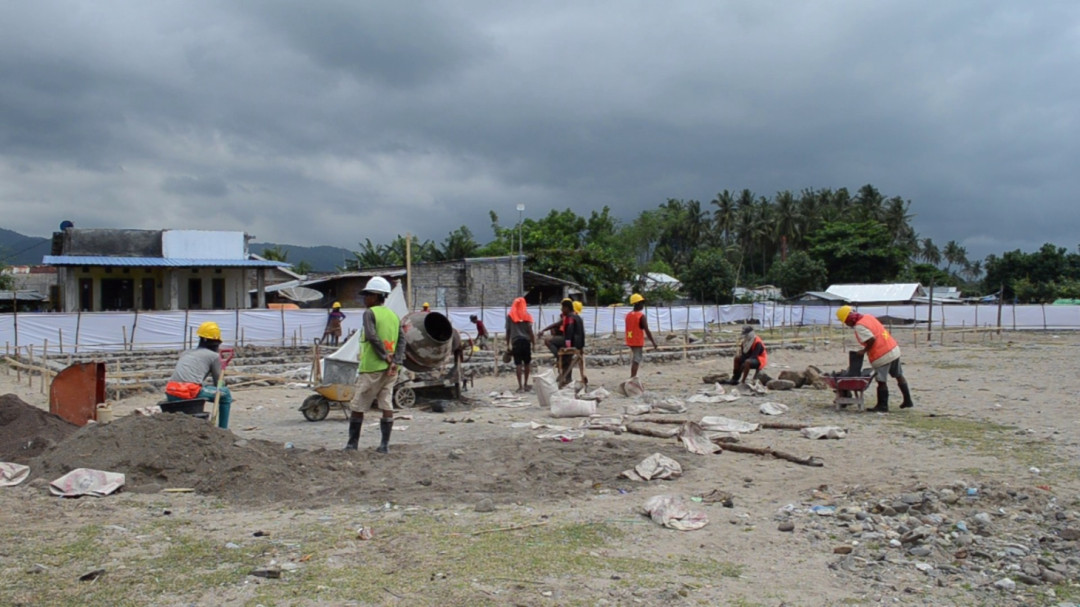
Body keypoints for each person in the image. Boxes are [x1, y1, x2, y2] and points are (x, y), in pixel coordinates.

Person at [345, 277, 406, 452]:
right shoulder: (393, 316)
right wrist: (396, 361)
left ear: (376, 296)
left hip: (372, 367)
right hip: (391, 370)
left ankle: (352, 444)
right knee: (386, 404)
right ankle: (384, 446)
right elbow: (402, 341)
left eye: (367, 295)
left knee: (359, 405)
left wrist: (385, 356)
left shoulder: (369, 313)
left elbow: (371, 336)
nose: (365, 299)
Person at [837, 305, 914, 412]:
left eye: (846, 322)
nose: (847, 324)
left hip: (882, 354)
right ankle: (908, 400)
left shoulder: (859, 326)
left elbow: (871, 339)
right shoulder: (868, 317)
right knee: (898, 375)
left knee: (881, 381)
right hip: (893, 348)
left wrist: (863, 351)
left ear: (849, 319)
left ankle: (882, 406)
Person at [165, 321, 233, 429]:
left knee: (202, 388)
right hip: (187, 392)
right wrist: (223, 386)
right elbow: (218, 384)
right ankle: (223, 430)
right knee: (226, 395)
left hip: (170, 390)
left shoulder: (186, 352)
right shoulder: (214, 356)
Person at [505, 297, 536, 392]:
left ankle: (520, 386)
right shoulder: (527, 315)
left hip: (516, 342)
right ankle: (526, 384)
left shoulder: (510, 316)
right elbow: (530, 331)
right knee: (527, 363)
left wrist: (507, 344)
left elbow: (508, 331)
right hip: (526, 342)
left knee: (518, 363)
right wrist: (534, 343)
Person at [624, 293, 659, 378]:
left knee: (635, 358)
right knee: (636, 359)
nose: (643, 304)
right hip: (637, 341)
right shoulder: (641, 316)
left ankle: (632, 377)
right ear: (637, 303)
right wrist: (653, 342)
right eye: (641, 302)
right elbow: (647, 330)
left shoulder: (628, 315)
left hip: (630, 340)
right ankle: (632, 378)